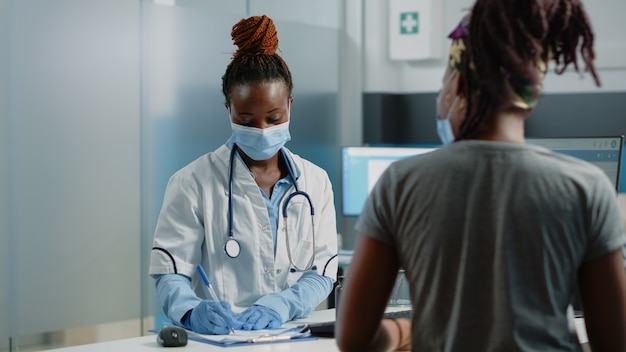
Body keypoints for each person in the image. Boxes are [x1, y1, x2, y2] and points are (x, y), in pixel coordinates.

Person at [335, 0, 626, 351]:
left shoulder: (400, 183)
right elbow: (615, 340)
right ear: (530, 98)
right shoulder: (587, 187)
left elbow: (353, 338)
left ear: (456, 86)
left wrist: (403, 331)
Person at [149, 15, 338, 335]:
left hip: (292, 336)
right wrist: (192, 311)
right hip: (224, 337)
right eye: (247, 120)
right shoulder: (192, 182)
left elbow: (323, 271)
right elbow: (171, 270)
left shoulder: (315, 181)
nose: (262, 130)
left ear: (290, 106)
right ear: (229, 109)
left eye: (274, 117)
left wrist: (283, 304)